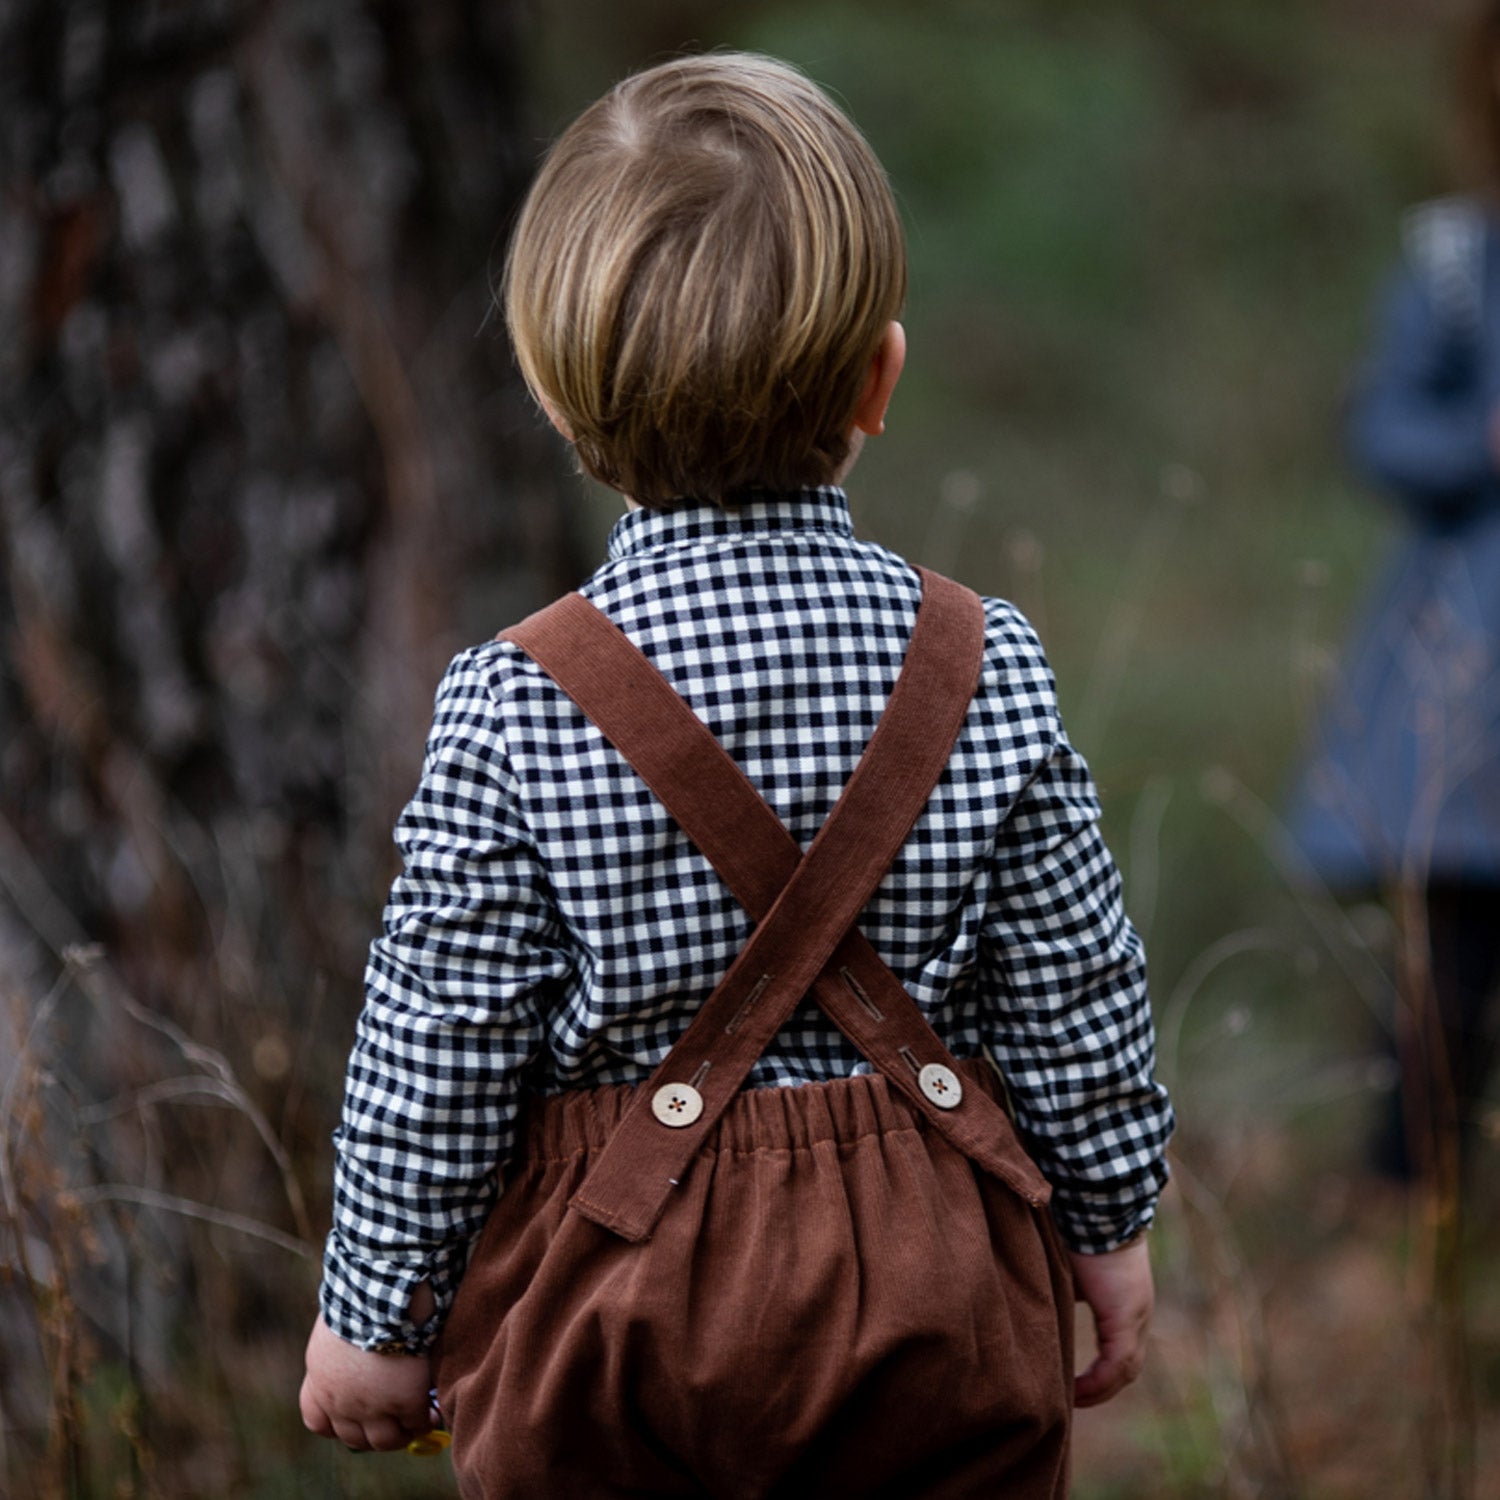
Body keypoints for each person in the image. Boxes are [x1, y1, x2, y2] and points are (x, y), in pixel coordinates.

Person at [299, 52, 1174, 1496]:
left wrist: (376, 1317)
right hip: (935, 1293)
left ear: (555, 392)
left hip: (609, 1309)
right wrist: (1110, 1225)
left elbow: (435, 1047)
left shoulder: (515, 700)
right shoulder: (984, 661)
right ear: (879, 378)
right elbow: (1076, 984)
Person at [1288, 4, 1500, 1189]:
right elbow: (1383, 430)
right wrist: (1481, 441)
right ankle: (1408, 1230)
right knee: (1442, 992)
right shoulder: (1459, 262)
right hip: (1471, 695)